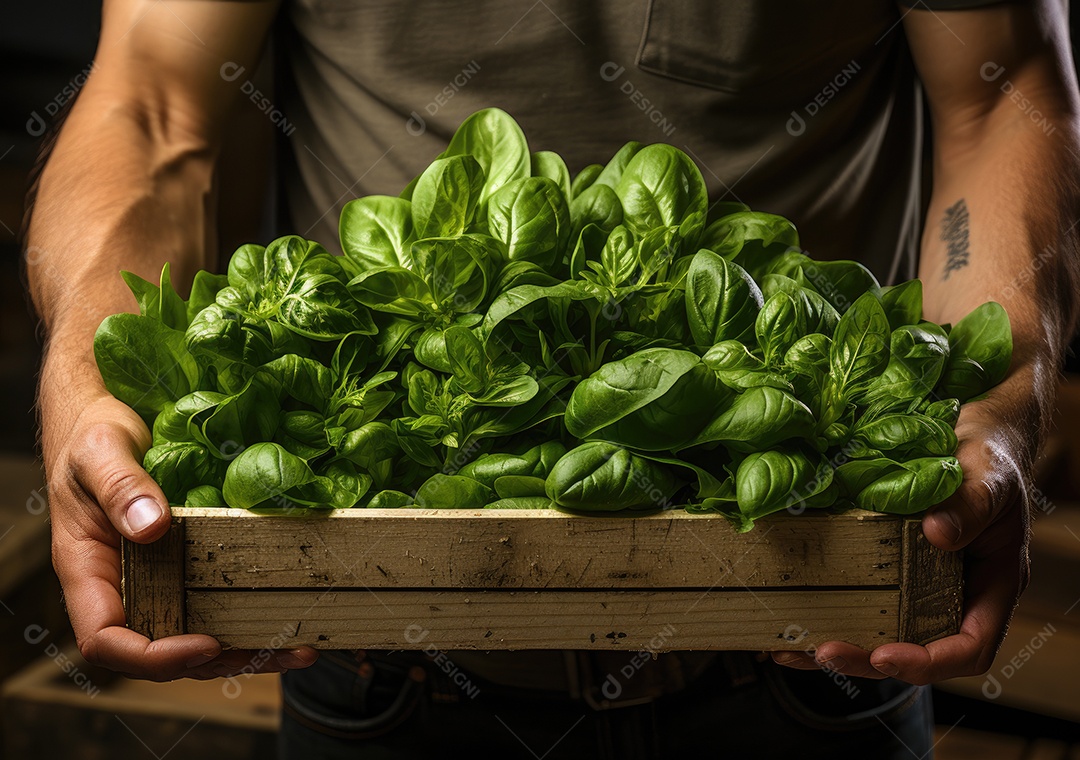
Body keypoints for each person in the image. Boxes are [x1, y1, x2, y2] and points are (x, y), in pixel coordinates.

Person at [25, 0, 1079, 757]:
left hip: (814, 639)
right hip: (379, 660)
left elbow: (1004, 92)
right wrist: (88, 381)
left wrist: (994, 412)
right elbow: (156, 102)